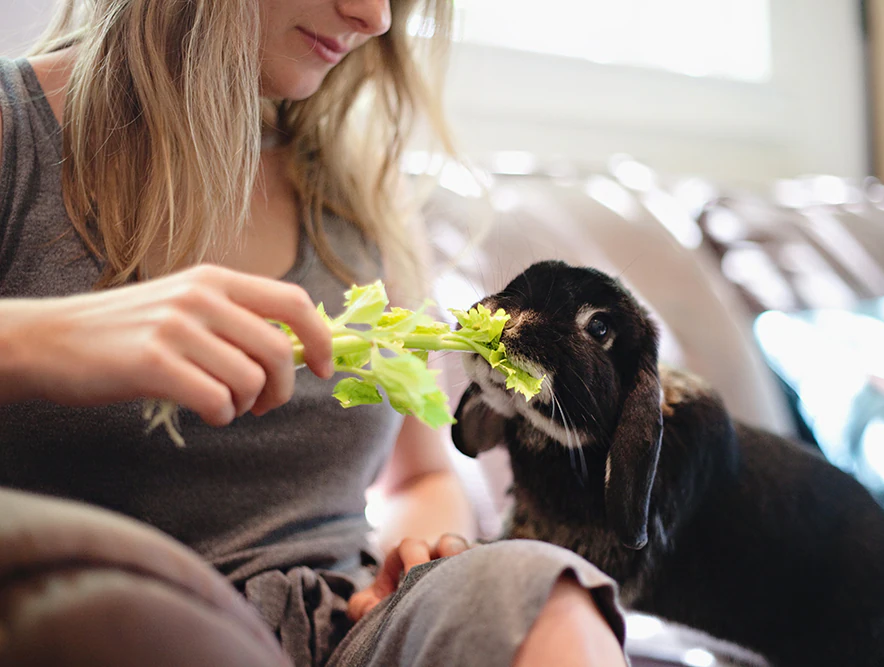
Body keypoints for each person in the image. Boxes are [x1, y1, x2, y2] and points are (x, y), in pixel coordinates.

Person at [0, 1, 630, 666]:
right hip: (119, 625)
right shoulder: (15, 130)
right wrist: (41, 338)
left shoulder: (360, 194)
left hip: (348, 629)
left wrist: (414, 559)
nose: (374, 18)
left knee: (544, 596)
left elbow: (418, 477)